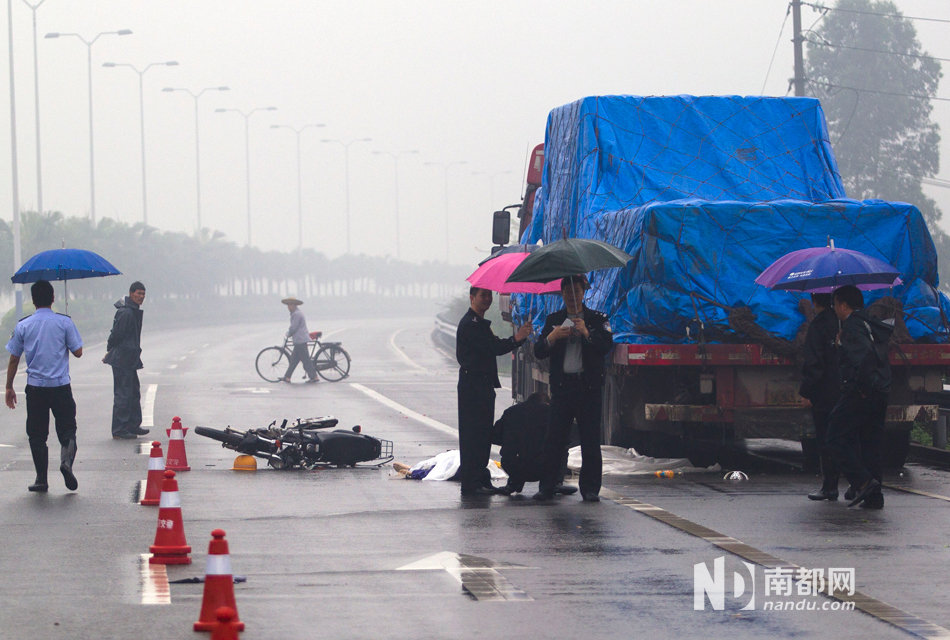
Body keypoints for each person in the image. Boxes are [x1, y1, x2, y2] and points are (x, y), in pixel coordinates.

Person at [532, 275, 614, 502]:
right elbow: (539, 351)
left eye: (576, 291)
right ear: (562, 294)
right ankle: (547, 485)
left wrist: (587, 333)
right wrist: (553, 336)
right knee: (555, 439)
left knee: (590, 439)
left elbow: (605, 346)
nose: (572, 296)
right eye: (567, 291)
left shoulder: (598, 319)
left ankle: (590, 489)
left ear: (583, 292)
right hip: (562, 387)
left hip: (588, 387)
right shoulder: (554, 319)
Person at [5, 280, 84, 492]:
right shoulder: (65, 322)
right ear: (53, 298)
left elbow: (14, 358)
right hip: (60, 386)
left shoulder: (23, 325)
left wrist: (9, 387)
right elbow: (78, 352)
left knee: (37, 434)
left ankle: (41, 479)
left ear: (33, 300)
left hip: (36, 388)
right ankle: (66, 462)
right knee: (68, 429)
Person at [456, 286, 531, 497]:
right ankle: (471, 483)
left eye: (489, 295)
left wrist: (519, 338)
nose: (487, 299)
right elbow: (494, 347)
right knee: (473, 435)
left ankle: (480, 478)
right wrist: (518, 338)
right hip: (473, 386)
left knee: (482, 434)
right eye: (483, 295)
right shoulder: (471, 324)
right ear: (472, 297)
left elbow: (493, 345)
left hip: (482, 384)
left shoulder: (478, 323)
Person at [826, 285, 892, 509]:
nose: (833, 309)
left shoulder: (853, 326)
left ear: (843, 305)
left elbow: (862, 357)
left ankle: (863, 482)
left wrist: (862, 386)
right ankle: (874, 497)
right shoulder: (869, 322)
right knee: (870, 444)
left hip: (862, 391)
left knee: (835, 436)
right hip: (880, 390)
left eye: (834, 304)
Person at [490, 391, 577, 496]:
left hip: (512, 466)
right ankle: (553, 484)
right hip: (543, 468)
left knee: (514, 453)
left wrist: (511, 442)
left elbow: (494, 437)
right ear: (547, 403)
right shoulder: (552, 414)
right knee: (562, 449)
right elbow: (566, 440)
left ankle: (513, 483)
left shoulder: (511, 412)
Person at [799, 293, 842, 501]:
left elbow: (814, 362)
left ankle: (830, 487)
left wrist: (806, 392)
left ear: (815, 301)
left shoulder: (818, 326)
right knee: (847, 439)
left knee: (826, 440)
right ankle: (857, 485)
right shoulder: (842, 322)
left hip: (824, 393)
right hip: (846, 390)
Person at [104, 281, 148, 439]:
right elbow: (116, 335)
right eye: (138, 294)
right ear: (131, 293)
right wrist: (110, 350)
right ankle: (120, 429)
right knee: (123, 394)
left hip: (130, 358)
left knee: (133, 392)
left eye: (143, 294)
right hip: (122, 359)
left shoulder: (132, 311)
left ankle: (132, 425)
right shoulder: (126, 313)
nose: (141, 297)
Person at [278, 297, 318, 384]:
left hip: (300, 340)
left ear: (294, 305)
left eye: (290, 305)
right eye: (288, 305)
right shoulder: (297, 313)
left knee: (306, 360)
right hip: (299, 340)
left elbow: (293, 327)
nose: (288, 307)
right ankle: (287, 377)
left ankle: (314, 376)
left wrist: (288, 334)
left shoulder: (296, 314)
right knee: (294, 360)